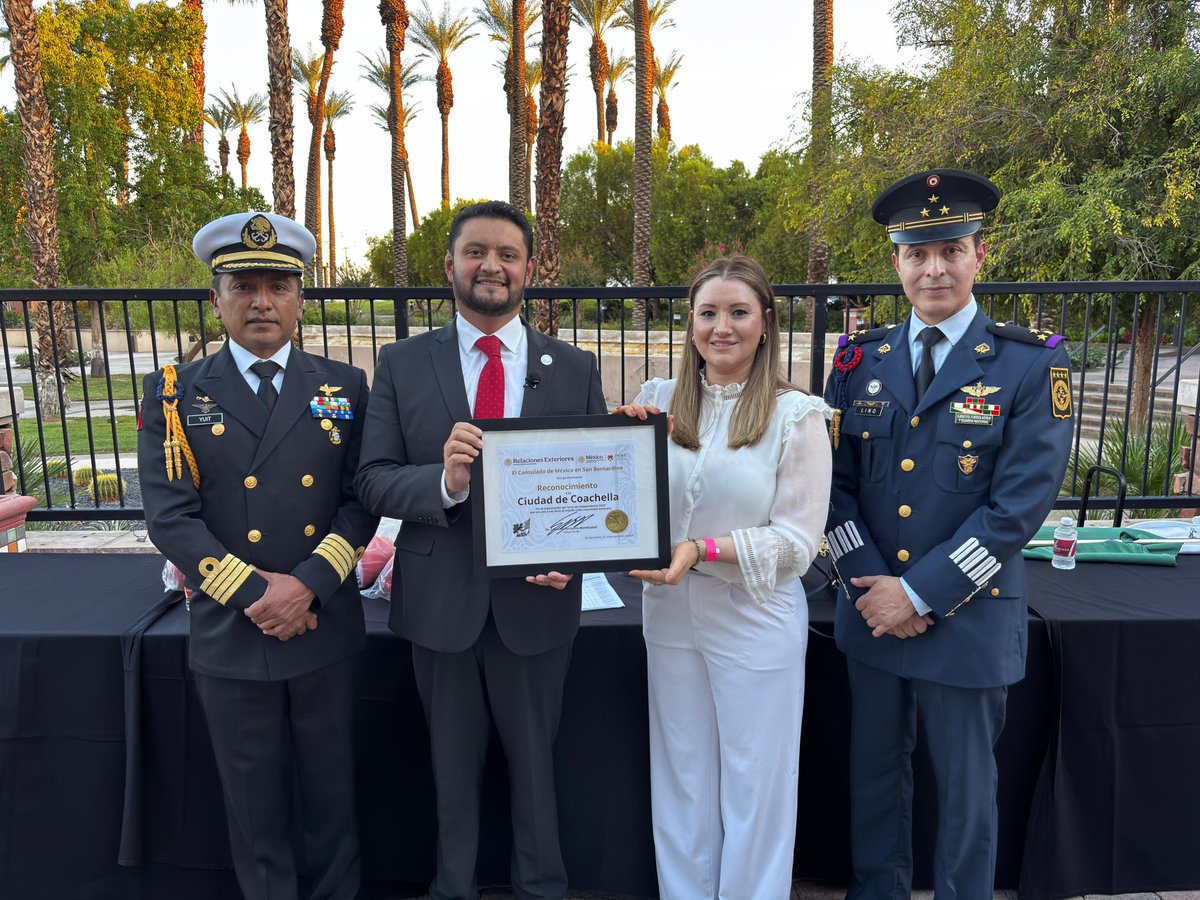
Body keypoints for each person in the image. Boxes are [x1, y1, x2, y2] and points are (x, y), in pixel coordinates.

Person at [823, 169, 1074, 898]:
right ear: (896, 262)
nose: (933, 267)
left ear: (978, 257)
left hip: (965, 617)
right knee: (873, 783)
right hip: (869, 611)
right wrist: (873, 587)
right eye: (916, 253)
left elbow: (1017, 507)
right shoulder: (856, 363)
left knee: (966, 799)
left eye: (951, 250)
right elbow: (830, 489)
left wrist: (921, 593)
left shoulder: (1030, 364)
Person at [353, 200, 606, 900]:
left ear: (529, 267)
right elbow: (371, 479)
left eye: (507, 253)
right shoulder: (402, 363)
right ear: (450, 265)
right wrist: (445, 481)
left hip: (538, 603)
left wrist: (577, 559)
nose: (491, 265)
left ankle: (542, 887)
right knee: (449, 769)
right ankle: (452, 888)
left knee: (536, 767)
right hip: (440, 604)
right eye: (475, 252)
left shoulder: (574, 366)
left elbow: (593, 487)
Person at [137, 212, 377, 900]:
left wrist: (305, 586)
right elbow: (171, 518)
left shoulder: (345, 386)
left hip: (322, 621)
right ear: (217, 299)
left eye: (278, 286)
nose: (262, 301)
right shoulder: (177, 393)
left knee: (333, 797)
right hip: (233, 629)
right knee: (253, 807)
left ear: (301, 299)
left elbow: (359, 500)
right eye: (244, 286)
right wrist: (258, 596)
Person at [616, 255, 833, 899]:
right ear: (689, 323)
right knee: (681, 776)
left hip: (755, 617)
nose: (722, 327)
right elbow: (618, 500)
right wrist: (619, 447)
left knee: (755, 786)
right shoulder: (657, 400)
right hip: (671, 615)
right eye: (708, 313)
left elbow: (798, 543)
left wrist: (701, 549)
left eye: (739, 312)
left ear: (765, 322)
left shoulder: (798, 415)